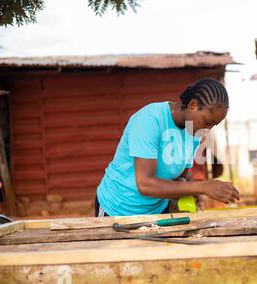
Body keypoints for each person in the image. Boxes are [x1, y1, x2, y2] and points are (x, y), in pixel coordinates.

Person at [95, 78, 239, 217]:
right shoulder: (150, 120)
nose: (208, 129)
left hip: (156, 211)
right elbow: (145, 184)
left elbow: (179, 177)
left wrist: (191, 191)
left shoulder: (195, 133)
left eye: (214, 125)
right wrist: (202, 187)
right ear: (193, 105)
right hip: (118, 209)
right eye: (208, 122)